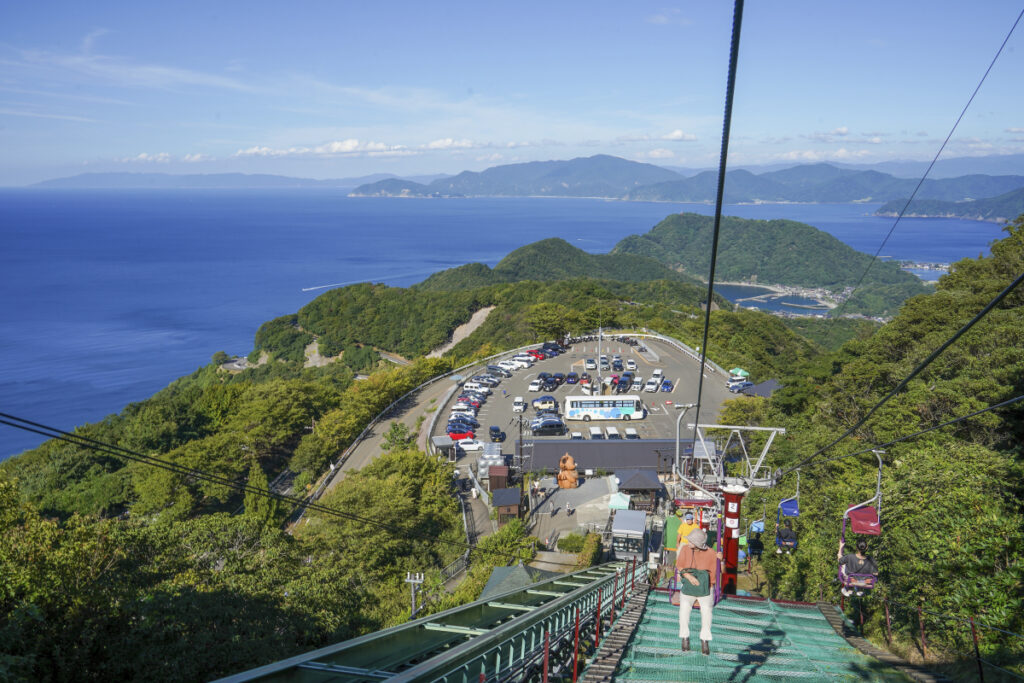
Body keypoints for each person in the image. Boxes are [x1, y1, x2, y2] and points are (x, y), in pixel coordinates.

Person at [676, 528, 722, 655]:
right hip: (689, 587)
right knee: (684, 608)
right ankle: (685, 637)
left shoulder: (711, 553)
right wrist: (689, 577)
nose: (687, 541)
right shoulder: (685, 549)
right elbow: (680, 566)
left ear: (697, 544)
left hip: (705, 587)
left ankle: (705, 639)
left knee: (707, 609)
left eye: (691, 540)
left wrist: (721, 560)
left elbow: (721, 572)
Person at [662, 507, 683, 572]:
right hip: (674, 544)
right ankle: (670, 569)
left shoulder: (666, 519)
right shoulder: (680, 521)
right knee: (672, 559)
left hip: (667, 542)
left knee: (667, 558)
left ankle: (667, 568)